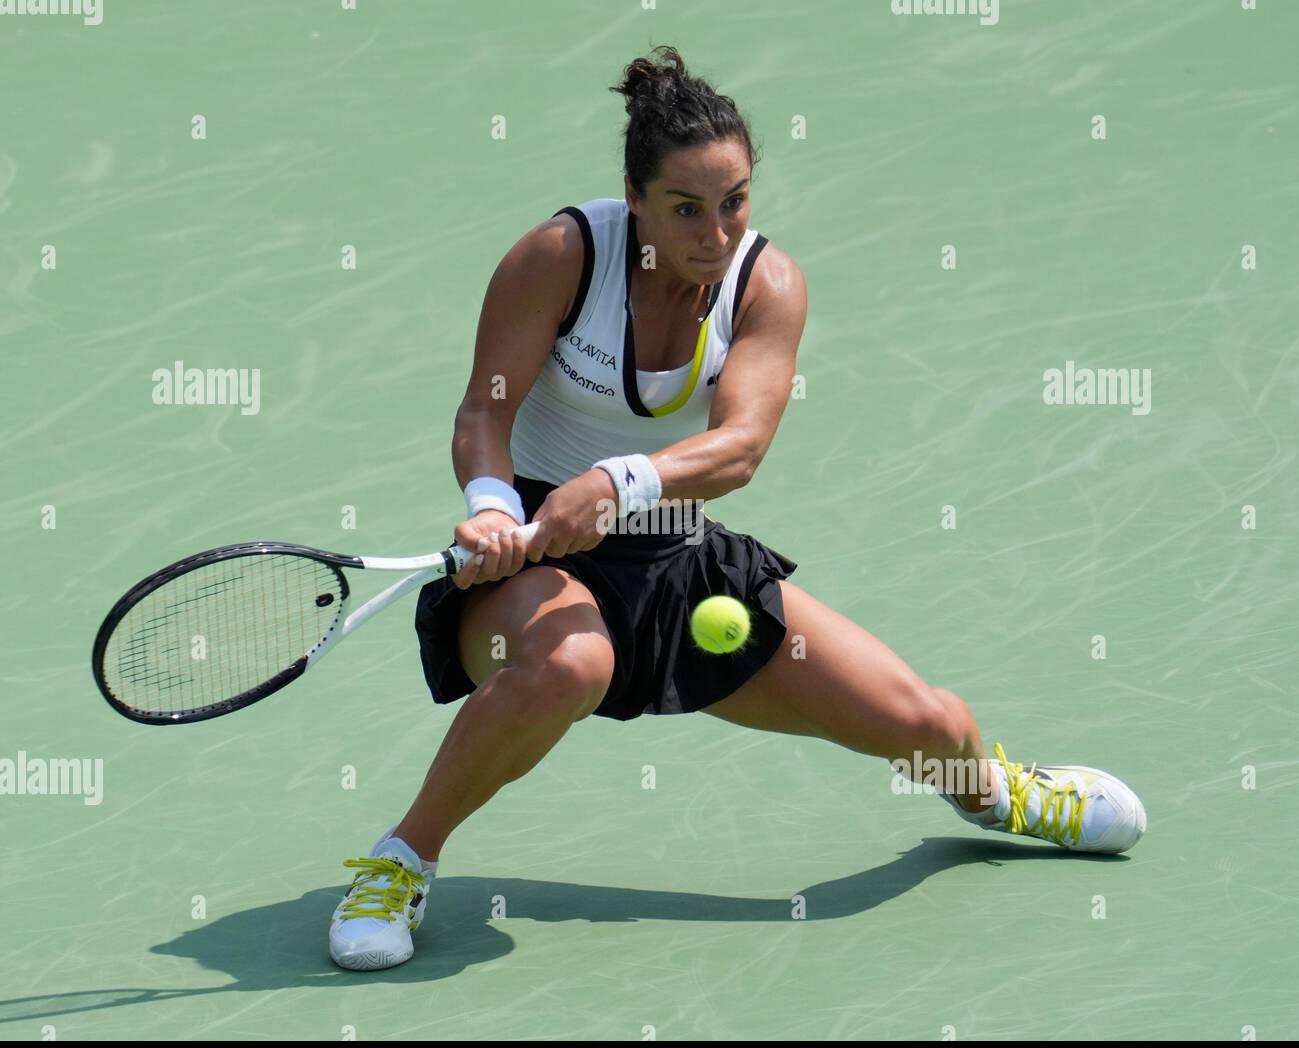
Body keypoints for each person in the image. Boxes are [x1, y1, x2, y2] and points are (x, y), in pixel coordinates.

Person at [328, 46, 1146, 971]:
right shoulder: (563, 256)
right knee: (568, 661)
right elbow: (486, 409)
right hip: (531, 561)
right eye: (686, 208)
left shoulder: (769, 285)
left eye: (735, 202)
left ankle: (1001, 796)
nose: (715, 232)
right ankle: (402, 859)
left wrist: (620, 484)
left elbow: (740, 447)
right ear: (634, 197)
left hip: (679, 565)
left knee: (927, 724)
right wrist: (486, 504)